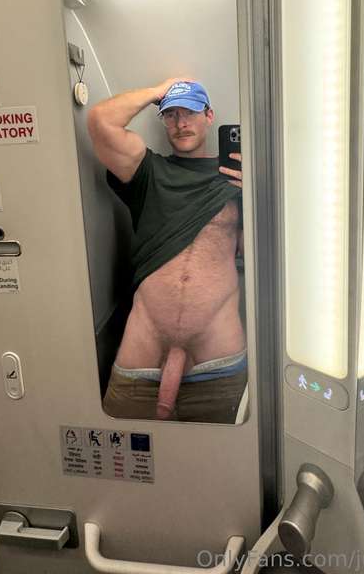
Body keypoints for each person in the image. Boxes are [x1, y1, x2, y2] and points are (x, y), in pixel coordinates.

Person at [87, 78, 246, 423]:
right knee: (122, 456)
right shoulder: (147, 171)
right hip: (140, 357)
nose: (180, 122)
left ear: (209, 116)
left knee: (227, 457)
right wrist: (160, 91)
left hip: (217, 360)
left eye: (189, 112)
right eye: (171, 114)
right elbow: (100, 121)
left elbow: (257, 256)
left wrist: (258, 196)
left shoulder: (236, 179)